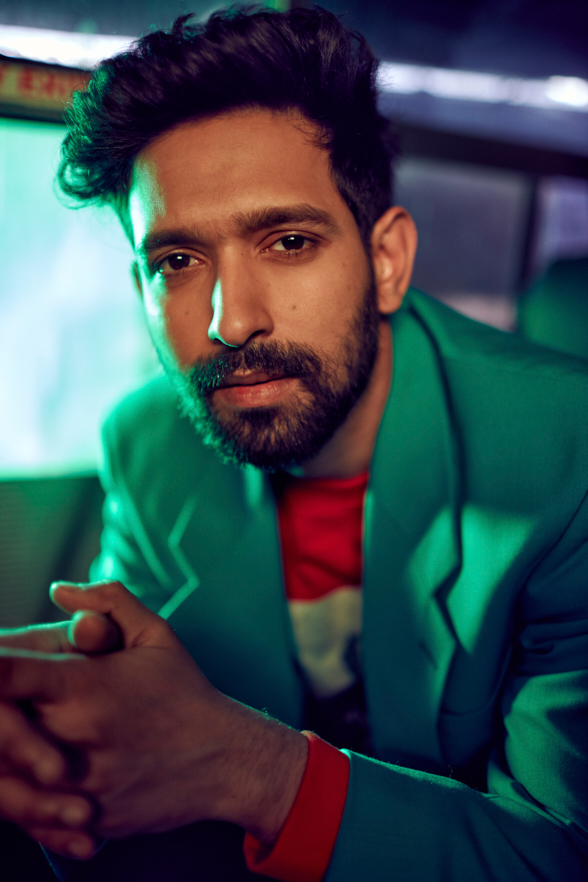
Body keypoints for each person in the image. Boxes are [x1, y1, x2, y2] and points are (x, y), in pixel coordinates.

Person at [0, 7, 587, 881]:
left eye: (287, 241)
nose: (230, 320)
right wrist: (61, 745)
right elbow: (144, 730)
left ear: (386, 262)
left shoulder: (568, 457)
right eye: (176, 262)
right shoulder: (148, 441)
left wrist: (259, 774)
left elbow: (565, 853)